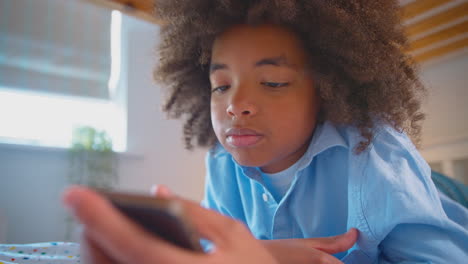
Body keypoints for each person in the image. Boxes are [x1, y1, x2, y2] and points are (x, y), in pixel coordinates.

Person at [62, 0, 468, 263]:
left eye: (272, 82)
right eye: (220, 85)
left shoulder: (378, 156)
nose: (235, 104)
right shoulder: (223, 164)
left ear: (326, 92)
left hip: (437, 192)